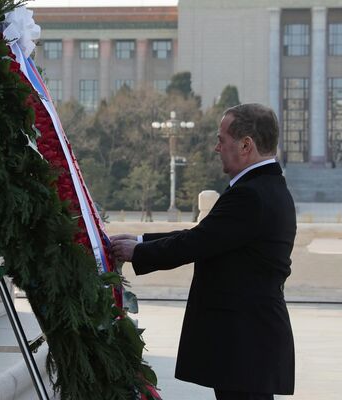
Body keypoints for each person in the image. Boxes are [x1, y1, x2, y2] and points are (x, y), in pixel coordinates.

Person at [111, 103, 296, 400]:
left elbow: (197, 242)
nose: (215, 147)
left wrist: (139, 251)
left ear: (246, 145)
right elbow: (206, 236)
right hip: (250, 342)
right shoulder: (264, 188)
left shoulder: (251, 194)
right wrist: (141, 240)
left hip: (245, 343)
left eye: (222, 140)